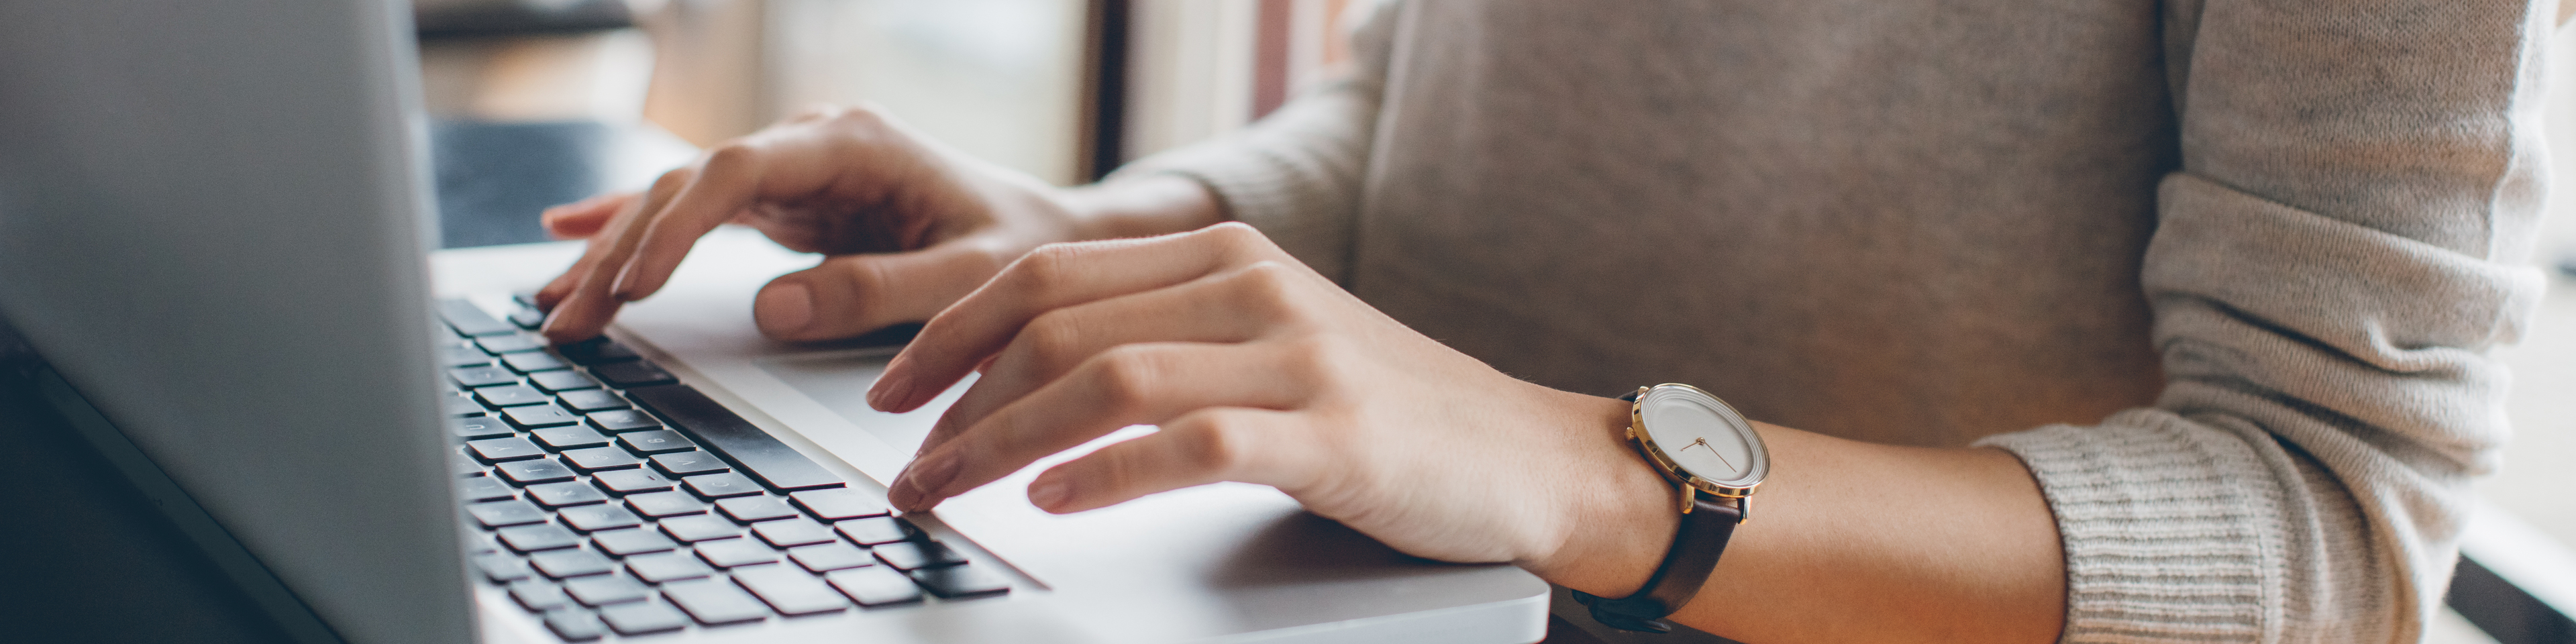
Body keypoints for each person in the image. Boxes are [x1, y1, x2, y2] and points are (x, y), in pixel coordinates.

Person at [529, 1, 2551, 641]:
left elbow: (2339, 514)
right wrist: (1101, 239)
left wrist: (1600, 472)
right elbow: (1420, 106)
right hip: (1344, 596)